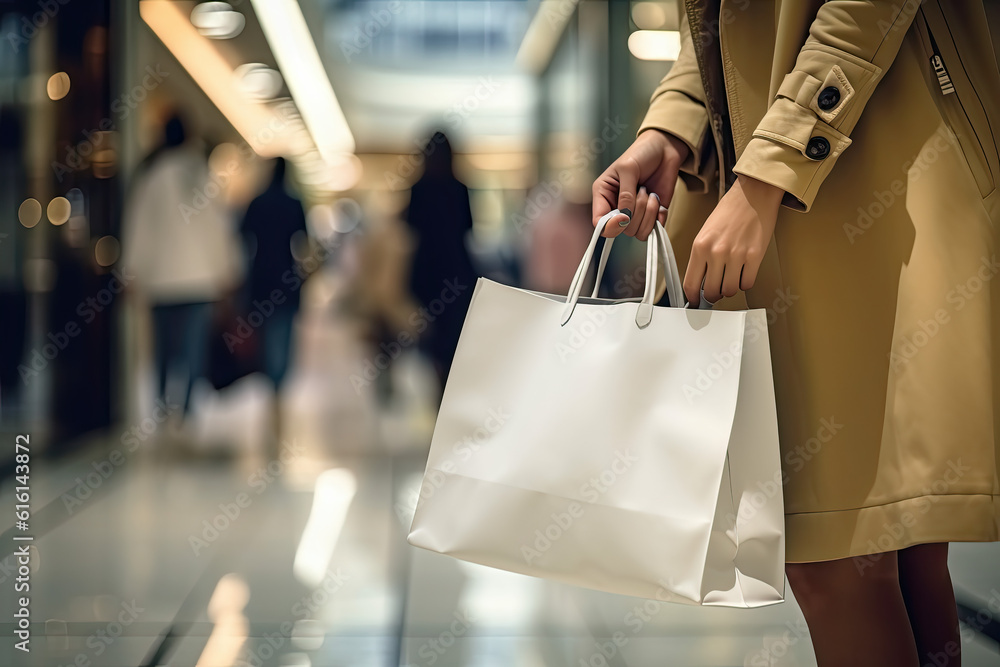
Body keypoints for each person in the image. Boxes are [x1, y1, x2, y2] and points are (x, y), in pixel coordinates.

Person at [594, 3, 999, 665]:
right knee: (891, 545)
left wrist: (767, 172)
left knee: (835, 554)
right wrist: (669, 128)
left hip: (867, 171)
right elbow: (719, 24)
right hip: (802, 181)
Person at [123, 115, 240, 424]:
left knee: (162, 347)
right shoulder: (201, 175)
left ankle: (162, 403)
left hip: (162, 279)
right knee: (192, 348)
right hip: (199, 279)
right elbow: (218, 228)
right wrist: (226, 268)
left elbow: (140, 227)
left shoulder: (152, 177)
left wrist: (132, 270)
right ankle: (185, 408)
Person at [239, 157, 308, 446]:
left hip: (260, 280)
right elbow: (303, 242)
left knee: (267, 336)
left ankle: (272, 390)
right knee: (282, 335)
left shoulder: (256, 203)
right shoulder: (294, 203)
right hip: (286, 280)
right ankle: (277, 394)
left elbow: (242, 239)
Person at [405, 131, 477, 391]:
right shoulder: (459, 187)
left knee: (431, 334)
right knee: (455, 334)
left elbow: (410, 229)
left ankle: (439, 387)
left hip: (427, 270)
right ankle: (449, 387)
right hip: (456, 269)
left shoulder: (418, 188)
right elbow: (469, 228)